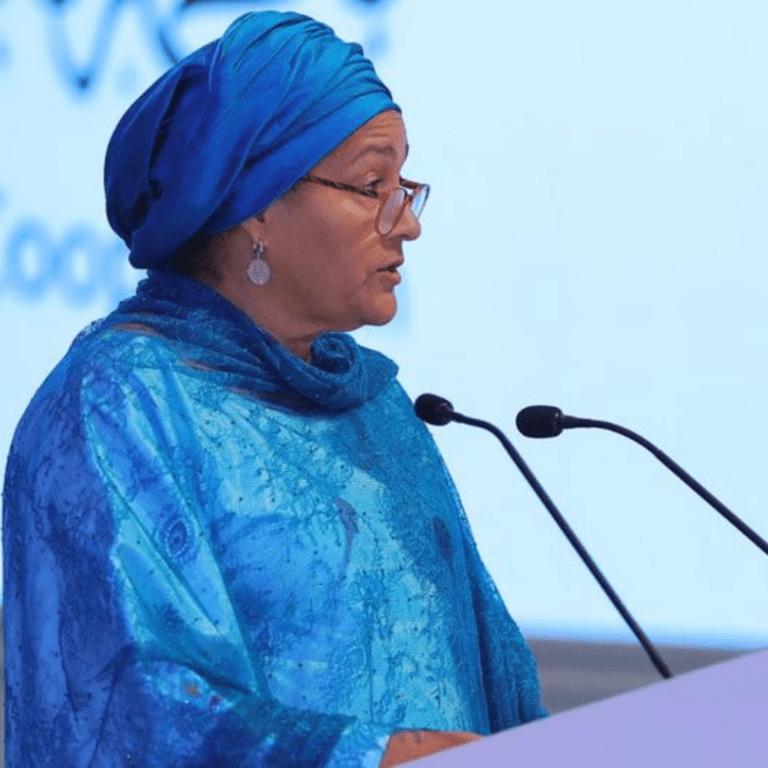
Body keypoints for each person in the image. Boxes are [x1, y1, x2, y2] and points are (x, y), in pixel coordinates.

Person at [2, 11, 547, 766]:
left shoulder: (376, 408)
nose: (407, 224)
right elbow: (119, 706)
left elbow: (491, 687)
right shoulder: (114, 405)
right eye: (370, 185)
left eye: (404, 185)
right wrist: (373, 756)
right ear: (256, 202)